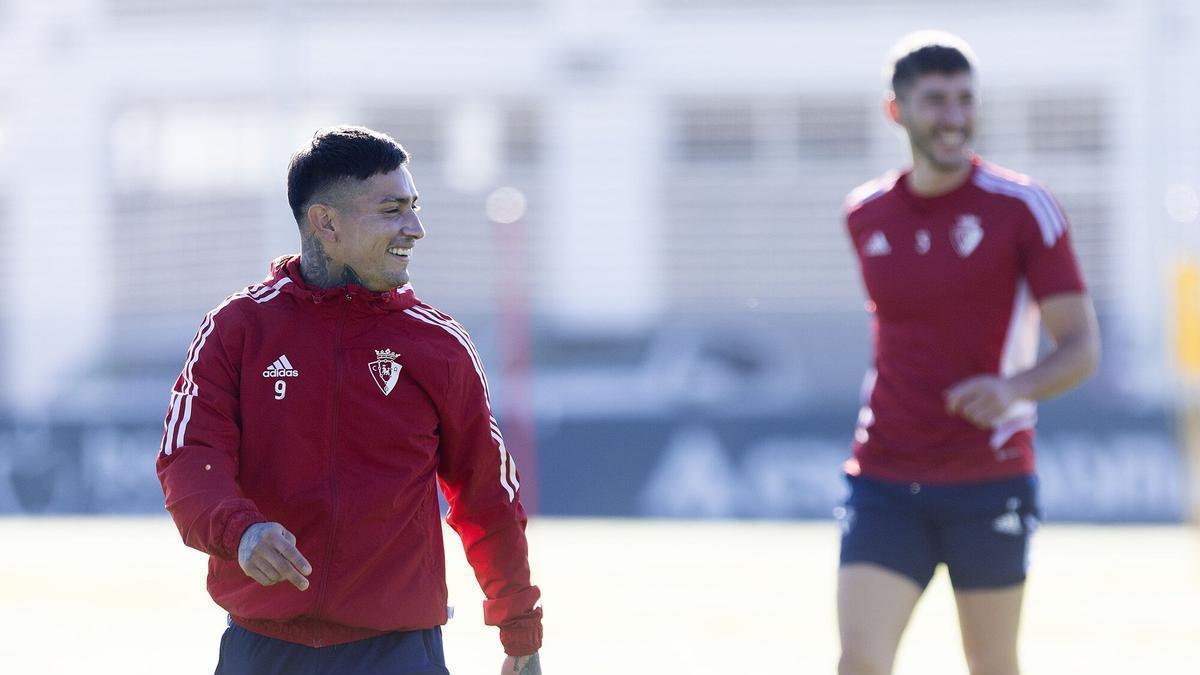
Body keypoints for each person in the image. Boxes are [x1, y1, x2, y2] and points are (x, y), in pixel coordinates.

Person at [156, 125, 543, 675]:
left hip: (399, 653)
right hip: (263, 650)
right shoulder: (236, 329)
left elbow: (487, 495)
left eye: (413, 208)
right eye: (392, 210)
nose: (415, 228)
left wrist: (519, 627)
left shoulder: (438, 345)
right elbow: (189, 458)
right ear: (327, 223)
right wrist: (240, 531)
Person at [837, 31, 1101, 675]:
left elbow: (1081, 347)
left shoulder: (1024, 208)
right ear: (896, 110)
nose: (954, 117)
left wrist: (1012, 388)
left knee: (992, 665)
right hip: (885, 474)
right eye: (935, 100)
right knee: (860, 662)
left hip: (989, 476)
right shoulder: (865, 213)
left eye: (965, 99)